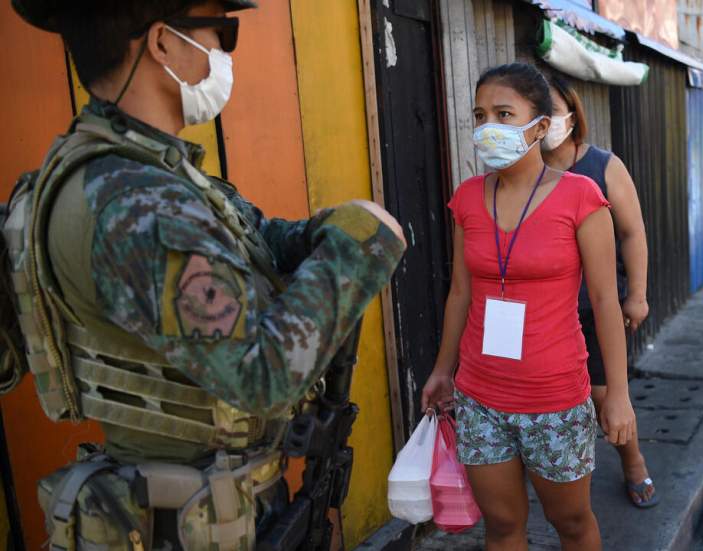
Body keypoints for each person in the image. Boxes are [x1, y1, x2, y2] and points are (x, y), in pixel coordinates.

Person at [4, 1, 406, 549]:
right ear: (163, 43)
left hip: (192, 504)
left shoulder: (127, 173)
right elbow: (263, 375)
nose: (224, 52)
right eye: (223, 31)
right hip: (189, 520)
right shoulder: (139, 206)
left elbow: (251, 239)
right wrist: (362, 250)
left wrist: (322, 232)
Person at [421, 63, 636, 551]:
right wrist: (442, 370)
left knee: (573, 523)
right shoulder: (468, 199)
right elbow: (459, 292)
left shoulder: (582, 197)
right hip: (480, 398)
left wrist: (618, 394)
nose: (488, 127)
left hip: (555, 399)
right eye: (480, 115)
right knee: (500, 526)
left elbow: (605, 301)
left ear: (540, 127)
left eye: (503, 113)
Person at [539, 74, 658, 508]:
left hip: (597, 308)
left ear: (572, 113)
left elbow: (633, 232)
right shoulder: (523, 172)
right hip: (544, 313)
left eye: (551, 110)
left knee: (604, 394)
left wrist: (638, 294)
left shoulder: (604, 165)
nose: (544, 120)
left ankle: (633, 461)